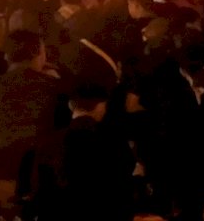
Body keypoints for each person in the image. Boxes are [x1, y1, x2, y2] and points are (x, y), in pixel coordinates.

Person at [0, 30, 61, 206]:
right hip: (42, 172)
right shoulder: (53, 86)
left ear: (7, 56)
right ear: (37, 54)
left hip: (2, 170)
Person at [32, 83, 135, 221]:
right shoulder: (114, 141)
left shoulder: (48, 142)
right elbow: (123, 182)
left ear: (71, 106)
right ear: (101, 107)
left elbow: (39, 188)